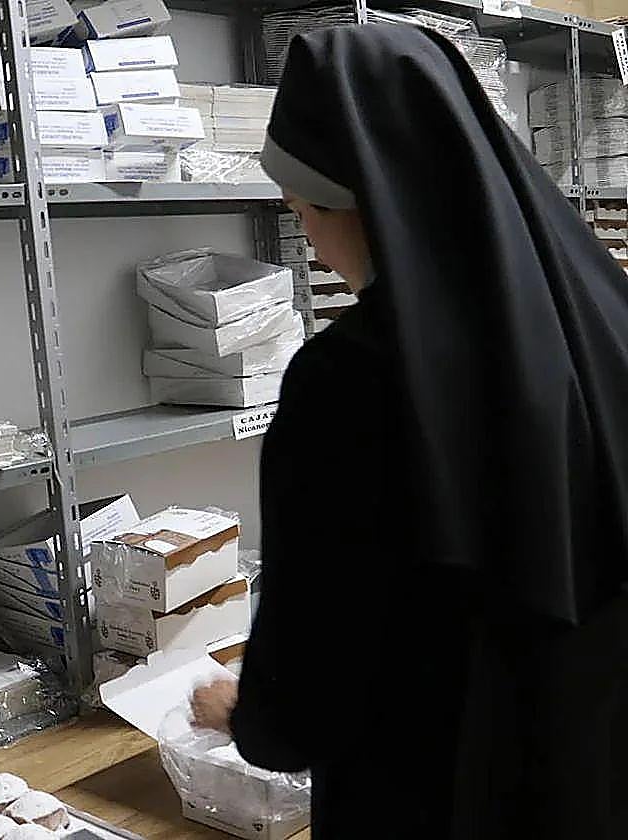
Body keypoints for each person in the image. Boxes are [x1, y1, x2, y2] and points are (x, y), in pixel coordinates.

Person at [189, 24, 628, 840]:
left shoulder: (350, 379)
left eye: (303, 208)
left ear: (346, 204)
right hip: (592, 768)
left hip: (441, 785)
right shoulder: (599, 313)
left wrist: (250, 714)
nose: (312, 241)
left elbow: (320, 659)